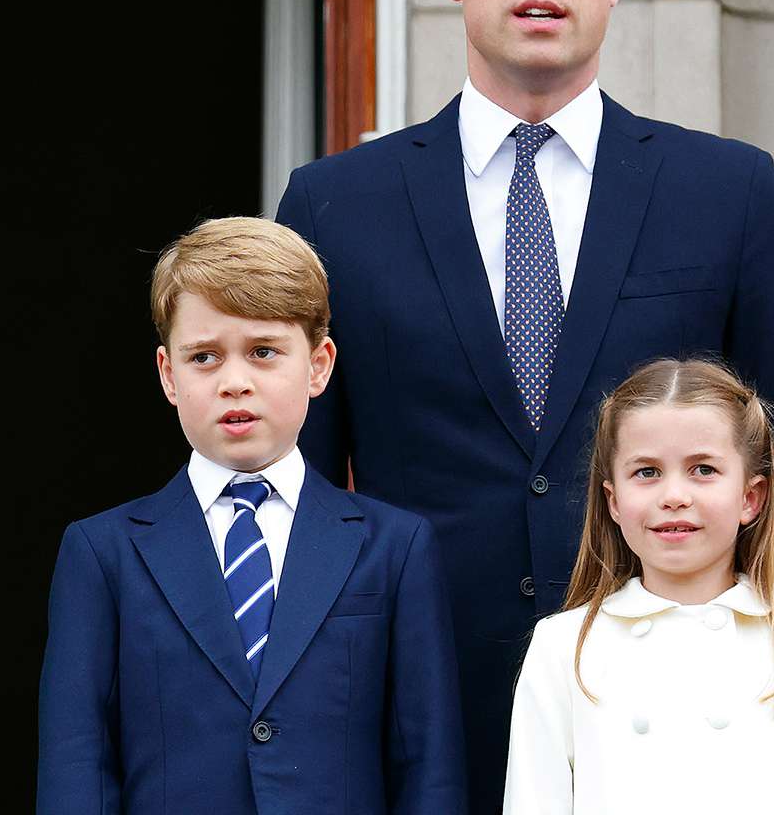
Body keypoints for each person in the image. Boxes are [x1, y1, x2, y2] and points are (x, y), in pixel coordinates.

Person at [275, 0, 774, 811]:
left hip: (675, 732)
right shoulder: (334, 207)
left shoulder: (729, 194)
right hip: (417, 722)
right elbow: (303, 501)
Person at [36, 218, 466, 815]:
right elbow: (76, 766)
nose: (234, 382)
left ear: (318, 365)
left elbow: (428, 768)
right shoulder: (101, 553)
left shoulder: (395, 547)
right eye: (204, 357)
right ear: (168, 374)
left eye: (264, 352)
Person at [501, 358, 774, 814]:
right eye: (647, 472)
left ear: (750, 497)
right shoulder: (563, 648)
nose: (674, 495)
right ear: (613, 501)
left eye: (703, 469)